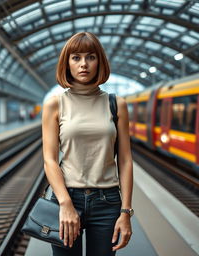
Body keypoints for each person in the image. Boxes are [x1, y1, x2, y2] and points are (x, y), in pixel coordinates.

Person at [42, 32, 133, 256]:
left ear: (99, 62)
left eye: (91, 57)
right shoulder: (55, 104)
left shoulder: (116, 104)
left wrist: (126, 212)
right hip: (67, 197)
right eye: (76, 58)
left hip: (108, 201)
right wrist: (64, 203)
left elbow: (125, 160)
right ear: (67, 63)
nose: (83, 64)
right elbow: (50, 159)